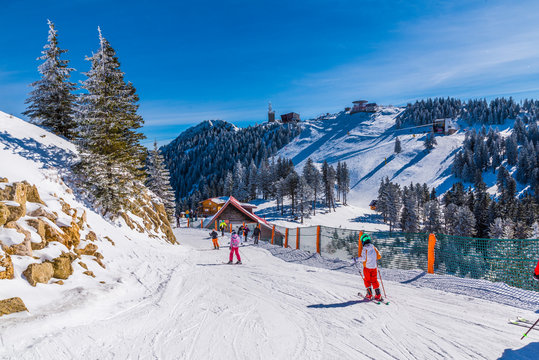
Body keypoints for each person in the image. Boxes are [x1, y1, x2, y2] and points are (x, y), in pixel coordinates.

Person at [356, 233, 382, 301]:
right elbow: (379, 256)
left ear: (363, 241)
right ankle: (378, 294)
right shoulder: (374, 247)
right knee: (374, 280)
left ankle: (369, 294)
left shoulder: (365, 249)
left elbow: (363, 258)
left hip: (367, 268)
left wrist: (357, 259)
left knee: (367, 280)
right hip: (374, 268)